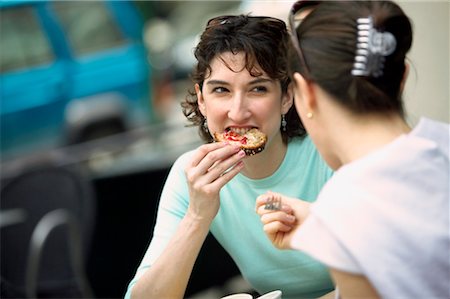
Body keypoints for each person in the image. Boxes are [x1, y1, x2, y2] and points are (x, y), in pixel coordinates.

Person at [125, 14, 336, 299]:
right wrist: (197, 215)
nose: (237, 112)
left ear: (286, 97)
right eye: (221, 90)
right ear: (201, 100)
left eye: (258, 88)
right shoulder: (190, 175)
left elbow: (392, 269)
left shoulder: (329, 152)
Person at [256, 1, 450, 298]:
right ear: (402, 78)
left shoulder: (345, 207)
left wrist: (334, 230)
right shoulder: (444, 141)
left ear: (305, 93)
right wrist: (323, 221)